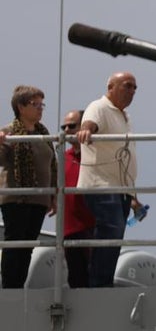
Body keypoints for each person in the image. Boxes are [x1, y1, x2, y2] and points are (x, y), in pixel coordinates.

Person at [76, 72, 138, 287]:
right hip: (101, 184)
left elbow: (126, 159)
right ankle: (99, 284)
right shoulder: (99, 107)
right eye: (127, 86)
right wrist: (85, 132)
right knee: (111, 229)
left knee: (115, 234)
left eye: (134, 88)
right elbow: (89, 124)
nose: (131, 91)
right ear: (111, 86)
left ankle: (103, 282)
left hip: (120, 188)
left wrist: (133, 196)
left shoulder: (124, 116)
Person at [0, 86, 57, 288]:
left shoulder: (44, 133)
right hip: (16, 198)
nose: (40, 108)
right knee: (15, 243)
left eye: (42, 104)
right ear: (21, 107)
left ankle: (18, 285)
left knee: (28, 246)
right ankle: (9, 288)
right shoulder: (8, 133)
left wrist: (54, 194)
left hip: (39, 200)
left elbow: (52, 165)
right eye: (35, 104)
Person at [61, 109, 95, 288]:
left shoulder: (97, 152)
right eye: (64, 126)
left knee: (96, 277)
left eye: (72, 126)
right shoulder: (62, 157)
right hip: (69, 228)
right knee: (76, 278)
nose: (67, 130)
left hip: (93, 225)